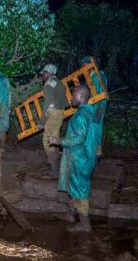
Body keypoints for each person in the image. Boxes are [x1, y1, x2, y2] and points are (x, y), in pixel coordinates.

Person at [49, 85, 101, 232]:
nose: (71, 99)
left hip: (79, 157)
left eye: (73, 96)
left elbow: (79, 138)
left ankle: (85, 224)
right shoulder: (92, 112)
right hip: (86, 155)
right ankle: (70, 213)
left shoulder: (80, 116)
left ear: (80, 97)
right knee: (75, 186)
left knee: (80, 189)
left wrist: (60, 141)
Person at [40, 64, 68, 177]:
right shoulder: (59, 83)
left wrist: (41, 122)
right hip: (60, 113)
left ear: (48, 73)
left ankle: (54, 168)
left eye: (44, 73)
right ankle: (56, 165)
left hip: (53, 114)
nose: (42, 75)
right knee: (55, 138)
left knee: (48, 140)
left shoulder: (49, 85)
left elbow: (48, 104)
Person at [81, 56, 108, 156]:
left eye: (85, 65)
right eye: (83, 66)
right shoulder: (89, 77)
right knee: (89, 131)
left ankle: (96, 154)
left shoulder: (98, 77)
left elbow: (103, 94)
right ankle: (91, 153)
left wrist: (100, 110)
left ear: (91, 66)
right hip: (90, 109)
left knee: (95, 130)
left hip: (96, 109)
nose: (83, 68)